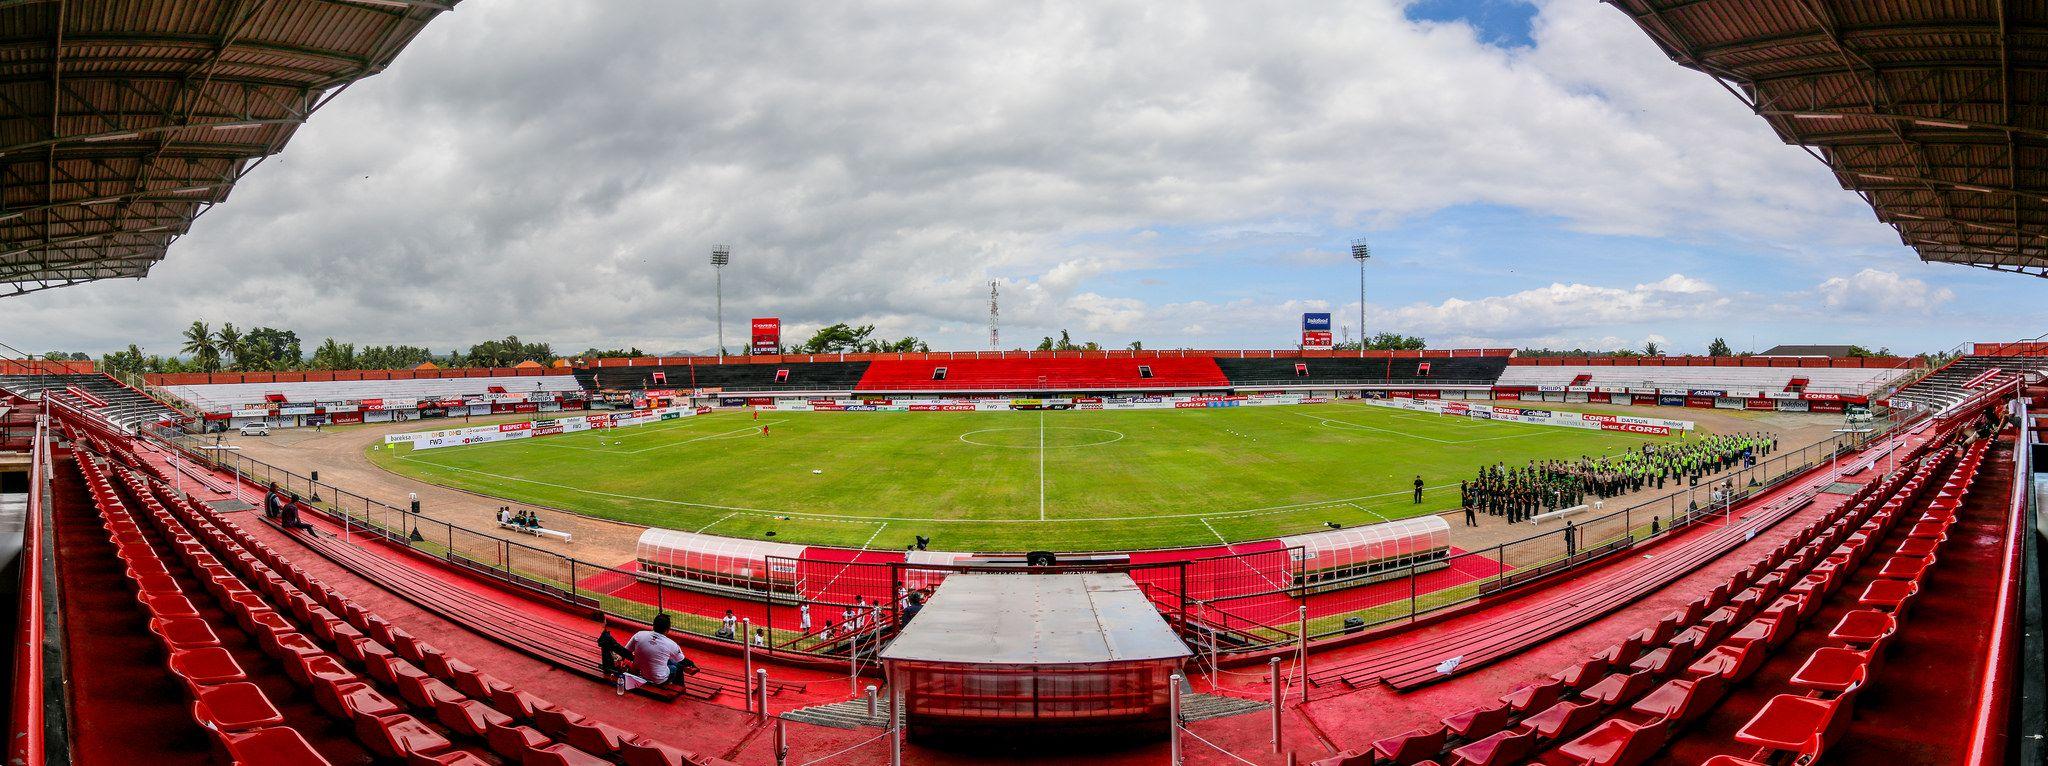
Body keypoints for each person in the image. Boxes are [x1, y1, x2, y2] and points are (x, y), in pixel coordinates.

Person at [617, 613, 687, 692]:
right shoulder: (671, 644)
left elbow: (625, 651)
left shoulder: (639, 635)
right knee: (675, 667)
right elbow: (682, 661)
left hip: (639, 673)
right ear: (668, 629)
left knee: (670, 661)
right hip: (657, 680)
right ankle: (680, 688)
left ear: (653, 625)